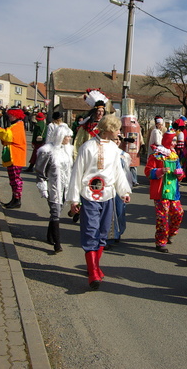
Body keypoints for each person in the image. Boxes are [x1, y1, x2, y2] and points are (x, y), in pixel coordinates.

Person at [68, 114, 132, 290]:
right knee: (90, 231)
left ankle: (95, 267)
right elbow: (77, 173)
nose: (119, 133)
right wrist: (74, 199)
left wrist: (124, 191)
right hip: (89, 195)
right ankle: (93, 272)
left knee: (103, 232)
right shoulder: (87, 147)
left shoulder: (114, 148)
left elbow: (118, 172)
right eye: (117, 129)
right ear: (109, 129)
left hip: (108, 195)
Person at [144, 129, 186, 253]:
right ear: (167, 140)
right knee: (162, 218)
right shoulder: (156, 155)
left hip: (173, 192)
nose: (175, 143)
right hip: (161, 193)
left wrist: (180, 174)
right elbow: (147, 171)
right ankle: (161, 242)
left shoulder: (175, 156)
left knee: (178, 213)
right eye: (173, 140)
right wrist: (159, 171)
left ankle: (171, 233)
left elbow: (181, 173)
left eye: (175, 140)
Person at [35, 124, 74, 254]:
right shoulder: (47, 151)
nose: (69, 138)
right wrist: (43, 187)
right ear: (60, 136)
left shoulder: (67, 150)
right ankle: (57, 244)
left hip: (64, 187)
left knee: (58, 211)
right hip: (53, 187)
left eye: (70, 136)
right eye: (67, 136)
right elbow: (40, 171)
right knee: (55, 212)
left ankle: (50, 236)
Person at [0, 107, 28, 209]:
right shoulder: (15, 125)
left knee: (15, 179)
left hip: (16, 157)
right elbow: (6, 136)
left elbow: (8, 136)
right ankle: (14, 199)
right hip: (13, 156)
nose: (9, 117)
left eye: (11, 115)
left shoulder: (18, 126)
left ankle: (17, 200)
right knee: (13, 180)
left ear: (16, 115)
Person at [74, 89, 108, 155]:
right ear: (94, 112)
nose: (100, 113)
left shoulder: (105, 126)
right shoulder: (85, 127)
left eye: (102, 111)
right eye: (99, 111)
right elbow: (78, 143)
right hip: (88, 154)